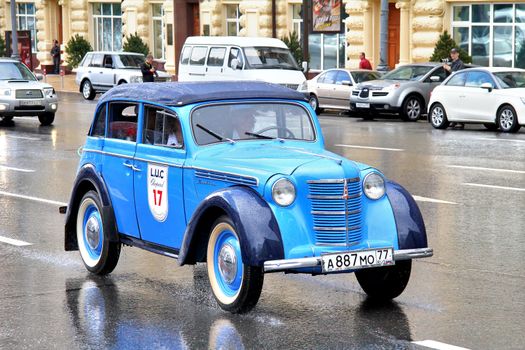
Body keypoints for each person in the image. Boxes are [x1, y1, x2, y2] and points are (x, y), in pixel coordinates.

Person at [443, 48, 466, 128]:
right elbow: (448, 77)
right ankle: (453, 120)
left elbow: (458, 75)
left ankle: (461, 122)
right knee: (452, 103)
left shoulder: (460, 63)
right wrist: (445, 69)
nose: (452, 55)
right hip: (452, 86)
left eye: (454, 53)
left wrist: (449, 69)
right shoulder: (452, 63)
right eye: (451, 53)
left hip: (458, 86)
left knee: (459, 104)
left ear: (458, 54)